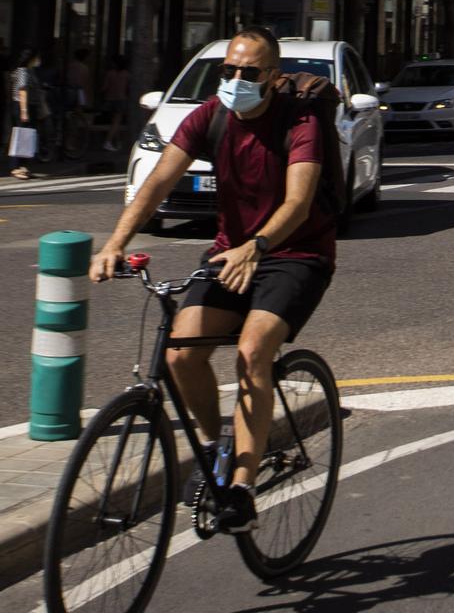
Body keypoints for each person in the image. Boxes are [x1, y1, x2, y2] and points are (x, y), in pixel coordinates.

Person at [89, 27, 334, 531]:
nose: (236, 80)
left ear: (271, 76)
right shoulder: (213, 114)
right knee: (180, 352)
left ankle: (241, 491)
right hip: (229, 254)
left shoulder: (299, 119)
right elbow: (159, 180)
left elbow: (298, 202)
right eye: (228, 71)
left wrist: (257, 246)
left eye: (248, 73)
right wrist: (116, 242)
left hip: (295, 253)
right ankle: (213, 448)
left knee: (252, 353)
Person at [7, 48, 44, 180]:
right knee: (20, 136)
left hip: (29, 106)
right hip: (23, 106)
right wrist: (24, 111)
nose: (38, 60)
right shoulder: (22, 71)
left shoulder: (29, 70)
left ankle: (23, 167)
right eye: (37, 57)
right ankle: (15, 167)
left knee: (27, 137)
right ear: (31, 58)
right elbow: (22, 91)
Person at [100, 53, 130, 152]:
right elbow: (127, 88)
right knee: (116, 122)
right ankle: (108, 142)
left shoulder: (110, 73)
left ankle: (117, 142)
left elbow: (104, 87)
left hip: (109, 99)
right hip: (120, 99)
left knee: (114, 122)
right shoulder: (126, 74)